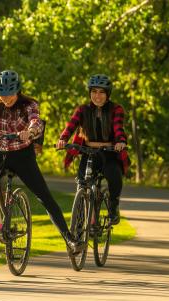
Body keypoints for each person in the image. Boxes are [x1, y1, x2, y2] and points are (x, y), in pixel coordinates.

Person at [0, 70, 81, 254]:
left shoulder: (29, 105)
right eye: (3, 94)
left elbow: (36, 122)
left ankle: (70, 239)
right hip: (0, 153)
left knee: (44, 196)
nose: (7, 98)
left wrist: (30, 132)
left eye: (10, 94)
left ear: (18, 90)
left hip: (23, 156)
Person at [56, 74, 130, 225]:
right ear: (90, 93)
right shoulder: (82, 110)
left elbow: (118, 128)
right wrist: (63, 139)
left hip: (109, 153)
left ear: (107, 94)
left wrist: (121, 142)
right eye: (94, 91)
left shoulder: (116, 109)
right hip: (88, 153)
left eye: (102, 92)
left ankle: (113, 206)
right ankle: (79, 225)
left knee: (114, 176)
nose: (97, 96)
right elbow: (71, 126)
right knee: (82, 183)